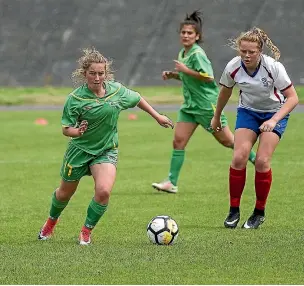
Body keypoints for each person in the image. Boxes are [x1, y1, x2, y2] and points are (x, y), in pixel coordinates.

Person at [38, 47, 174, 245]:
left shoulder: (116, 91)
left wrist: (157, 116)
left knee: (103, 191)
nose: (97, 77)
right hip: (79, 151)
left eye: (101, 73)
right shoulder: (75, 99)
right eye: (92, 73)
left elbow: (137, 98)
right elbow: (66, 129)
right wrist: (78, 131)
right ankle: (51, 222)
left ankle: (86, 232)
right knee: (64, 193)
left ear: (106, 74)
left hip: (105, 150)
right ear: (84, 74)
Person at [152, 10, 256, 194]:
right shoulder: (184, 52)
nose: (185, 35)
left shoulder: (197, 54)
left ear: (197, 36)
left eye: (190, 33)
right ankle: (171, 182)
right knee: (178, 142)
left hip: (207, 106)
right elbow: (191, 77)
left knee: (227, 141)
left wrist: (184, 70)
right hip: (190, 107)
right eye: (183, 32)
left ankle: (258, 160)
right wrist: (175, 75)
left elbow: (208, 77)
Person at [211, 27, 299, 229]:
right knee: (239, 157)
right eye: (243, 51)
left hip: (275, 113)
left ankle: (259, 212)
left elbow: (293, 98)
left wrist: (274, 120)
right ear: (239, 50)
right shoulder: (233, 67)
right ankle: (234, 210)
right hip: (248, 112)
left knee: (261, 161)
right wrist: (216, 117)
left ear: (260, 51)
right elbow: (225, 93)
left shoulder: (273, 67)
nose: (247, 55)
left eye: (252, 52)